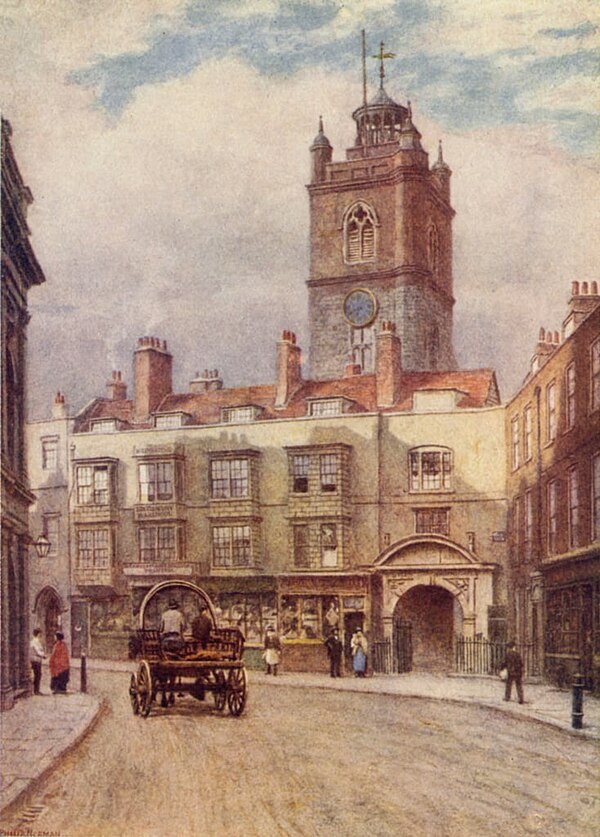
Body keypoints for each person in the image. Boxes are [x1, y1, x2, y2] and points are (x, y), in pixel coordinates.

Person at [30, 628, 46, 695]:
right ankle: (36, 691)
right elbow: (38, 651)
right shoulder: (35, 641)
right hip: (36, 660)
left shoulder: (34, 641)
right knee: (38, 675)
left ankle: (36, 690)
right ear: (38, 634)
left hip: (36, 660)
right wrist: (43, 655)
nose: (41, 635)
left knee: (37, 675)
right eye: (40, 634)